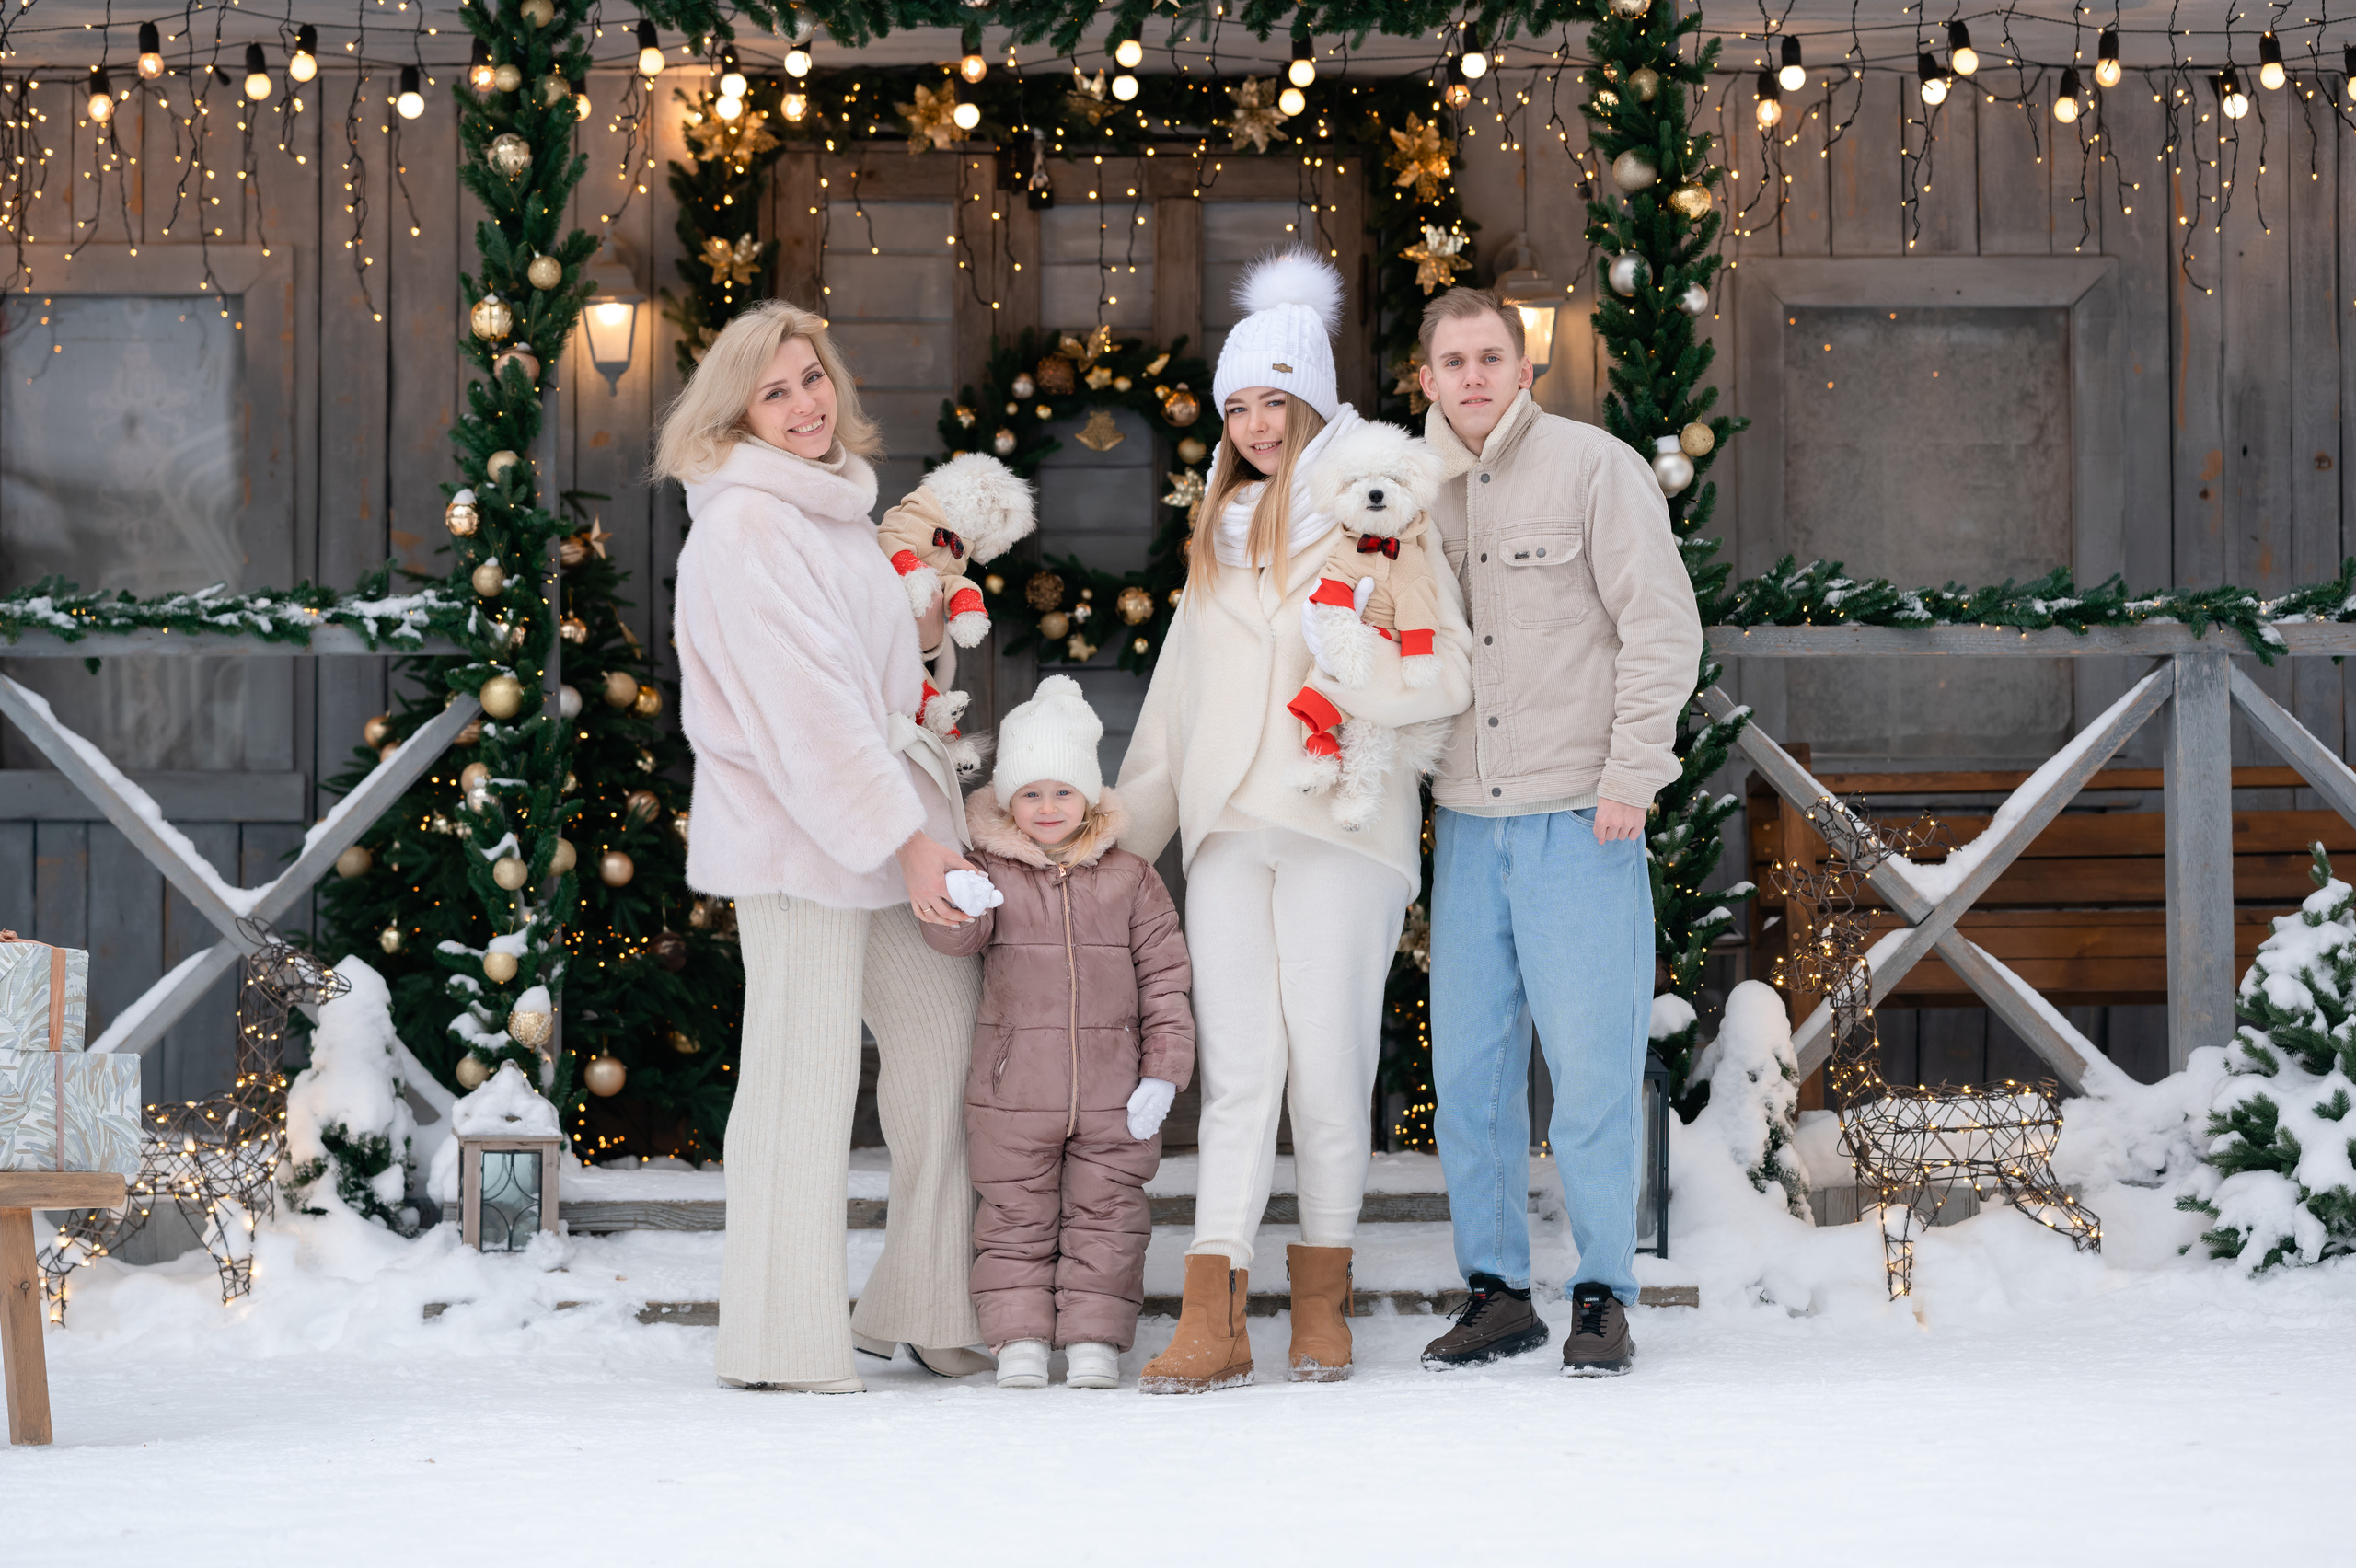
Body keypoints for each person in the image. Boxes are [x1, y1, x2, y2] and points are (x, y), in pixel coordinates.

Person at [1118, 249, 1474, 1392]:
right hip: (1226, 834)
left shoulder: (1376, 520)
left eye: (1275, 400)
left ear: (1312, 401)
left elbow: (1443, 675)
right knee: (1236, 1073)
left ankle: (1322, 1298)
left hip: (1337, 828)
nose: (1257, 425)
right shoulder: (1214, 536)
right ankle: (1211, 1311)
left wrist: (1350, 674)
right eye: (1237, 406)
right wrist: (1114, 840)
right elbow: (1175, 708)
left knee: (1327, 1068)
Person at [661, 298, 993, 1393]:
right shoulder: (746, 524)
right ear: (738, 412)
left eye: (813, 379)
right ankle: (778, 1334)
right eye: (776, 390)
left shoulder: (834, 512)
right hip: (799, 840)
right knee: (801, 1080)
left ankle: (926, 1299)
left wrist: (927, 642)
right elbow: (804, 712)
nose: (807, 404)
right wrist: (909, 845)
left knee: (943, 1046)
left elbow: (871, 677)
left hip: (883, 824)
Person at [1411, 287, 1703, 1378]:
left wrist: (1632, 772)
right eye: (1454, 361)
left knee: (1589, 1070)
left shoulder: (1594, 469)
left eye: (1492, 356)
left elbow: (1660, 626)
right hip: (1465, 824)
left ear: (1523, 367)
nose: (1474, 376)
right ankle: (1495, 1292)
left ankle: (1598, 1294)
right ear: (1426, 378)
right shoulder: (1406, 493)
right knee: (1474, 1077)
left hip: (1580, 816)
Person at [921, 676, 1195, 1391]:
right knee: (1014, 1215)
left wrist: (1163, 1072)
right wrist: (960, 901)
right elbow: (957, 943)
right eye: (1032, 793)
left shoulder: (1132, 880)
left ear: (1091, 799)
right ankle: (1017, 1340)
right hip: (1013, 1093)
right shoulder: (989, 870)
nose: (1048, 808)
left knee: (1109, 1216)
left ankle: (1095, 1343)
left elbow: (1166, 978)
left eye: (1063, 792)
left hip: (1115, 1093)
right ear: (1008, 799)